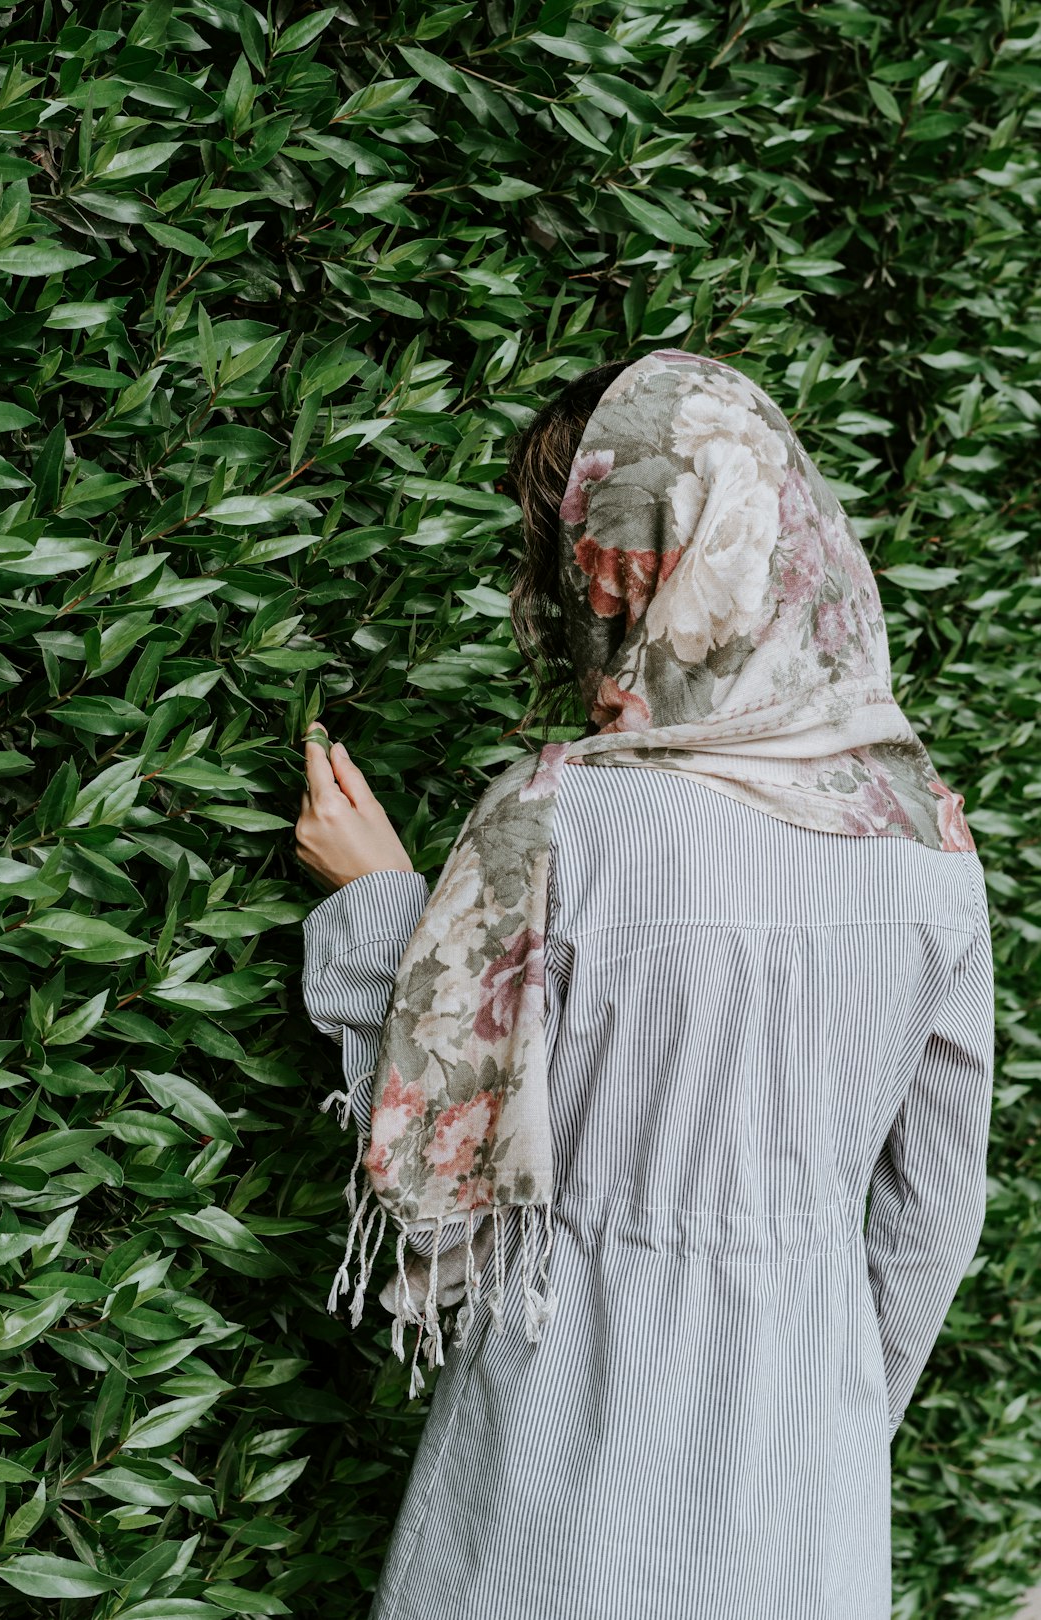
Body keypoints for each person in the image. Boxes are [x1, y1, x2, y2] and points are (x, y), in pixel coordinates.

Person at [296, 351, 995, 1620]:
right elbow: (939, 1212)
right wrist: (827, 1422)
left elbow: (442, 1190)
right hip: (805, 1503)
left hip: (552, 1468)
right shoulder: (929, 846)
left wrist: (375, 908)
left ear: (627, 562)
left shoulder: (560, 822)